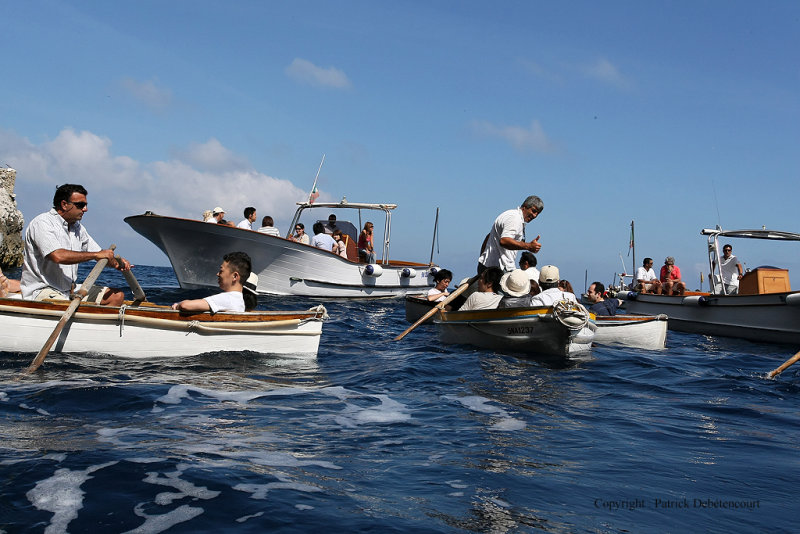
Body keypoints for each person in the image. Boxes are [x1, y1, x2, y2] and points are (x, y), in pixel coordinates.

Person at [20, 183, 131, 306]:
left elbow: (101, 255)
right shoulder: (42, 223)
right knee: (67, 305)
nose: (85, 209)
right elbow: (58, 256)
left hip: (70, 290)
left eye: (86, 205)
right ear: (64, 204)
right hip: (42, 291)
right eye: (80, 205)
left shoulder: (78, 228)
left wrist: (117, 262)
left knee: (116, 297)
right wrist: (96, 255)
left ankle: (92, 325)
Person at [477, 195, 543, 274]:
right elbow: (504, 241)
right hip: (497, 269)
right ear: (525, 206)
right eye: (533, 211)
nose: (535, 215)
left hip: (492, 266)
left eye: (537, 214)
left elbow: (489, 236)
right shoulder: (515, 219)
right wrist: (528, 246)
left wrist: (483, 260)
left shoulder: (514, 217)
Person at [172, 251, 251, 312]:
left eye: (221, 271)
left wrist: (177, 305)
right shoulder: (239, 300)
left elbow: (185, 305)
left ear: (234, 276)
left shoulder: (228, 298)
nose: (217, 274)